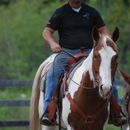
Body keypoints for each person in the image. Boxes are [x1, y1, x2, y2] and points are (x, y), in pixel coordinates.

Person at [40, 0, 127, 126]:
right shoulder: (60, 12)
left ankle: (116, 111)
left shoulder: (91, 12)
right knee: (52, 73)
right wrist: (53, 43)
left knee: (108, 75)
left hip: (89, 53)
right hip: (66, 52)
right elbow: (46, 32)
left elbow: (104, 31)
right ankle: (49, 111)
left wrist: (106, 43)